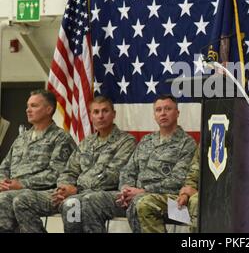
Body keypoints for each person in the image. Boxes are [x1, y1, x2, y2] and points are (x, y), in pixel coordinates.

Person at [13, 95, 136, 232]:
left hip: (103, 194)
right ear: (90, 116)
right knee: (23, 200)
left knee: (73, 204)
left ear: (113, 114)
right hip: (73, 194)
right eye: (96, 112)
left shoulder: (126, 141)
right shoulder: (86, 143)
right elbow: (69, 171)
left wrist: (76, 189)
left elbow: (112, 175)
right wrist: (64, 188)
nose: (100, 116)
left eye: (105, 111)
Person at [79, 94, 197, 233]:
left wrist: (142, 191)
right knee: (91, 200)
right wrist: (126, 190)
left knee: (140, 202)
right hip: (134, 195)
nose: (163, 113)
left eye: (168, 109)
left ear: (177, 113)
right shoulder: (146, 140)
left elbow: (177, 181)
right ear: (154, 115)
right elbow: (128, 170)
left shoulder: (187, 143)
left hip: (171, 201)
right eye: (158, 110)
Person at [0, 89, 76, 232]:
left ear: (49, 109)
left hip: (43, 193)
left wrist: (22, 184)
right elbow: (4, 166)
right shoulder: (22, 138)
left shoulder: (60, 138)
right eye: (28, 106)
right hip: (13, 190)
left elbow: (56, 173)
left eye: (34, 106)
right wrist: (3, 182)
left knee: (5, 200)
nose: (28, 110)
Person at [136, 146, 199, 233]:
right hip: (190, 201)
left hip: (210, 203)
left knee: (197, 202)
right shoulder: (207, 141)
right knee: (146, 204)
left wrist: (198, 193)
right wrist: (185, 194)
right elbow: (193, 175)